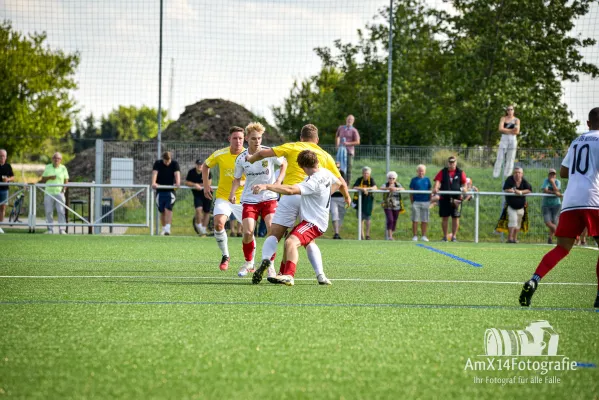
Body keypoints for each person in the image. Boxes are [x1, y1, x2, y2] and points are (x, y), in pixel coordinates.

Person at [246, 123, 350, 285]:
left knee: (275, 233)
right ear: (317, 140)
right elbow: (341, 182)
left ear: (301, 138)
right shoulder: (325, 156)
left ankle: (267, 261)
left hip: (291, 193)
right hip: (312, 199)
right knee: (307, 240)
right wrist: (346, 196)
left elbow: (263, 153)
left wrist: (251, 159)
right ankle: (320, 274)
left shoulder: (291, 147)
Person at [519, 107, 599, 308]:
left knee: (562, 248)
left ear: (588, 123)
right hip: (593, 201)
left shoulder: (577, 141)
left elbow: (563, 172)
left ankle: (534, 280)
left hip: (571, 201)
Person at [229, 122, 287, 277]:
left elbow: (284, 164)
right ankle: (249, 263)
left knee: (271, 229)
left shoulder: (268, 152)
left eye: (259, 138)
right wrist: (232, 193)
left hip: (269, 197)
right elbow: (236, 179)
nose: (257, 141)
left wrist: (278, 181)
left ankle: (270, 265)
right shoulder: (241, 158)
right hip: (250, 199)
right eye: (254, 138)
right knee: (247, 231)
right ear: (247, 138)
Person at [202, 126, 245, 271]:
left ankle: (250, 261)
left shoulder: (249, 155)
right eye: (235, 138)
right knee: (219, 224)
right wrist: (206, 185)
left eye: (240, 138)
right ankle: (226, 255)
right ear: (229, 139)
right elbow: (205, 166)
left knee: (249, 231)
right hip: (224, 197)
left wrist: (242, 183)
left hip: (244, 199)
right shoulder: (220, 154)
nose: (238, 141)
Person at [432, 156, 467, 242]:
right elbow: (437, 181)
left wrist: (465, 189)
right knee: (445, 218)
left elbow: (464, 183)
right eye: (450, 162)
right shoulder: (443, 172)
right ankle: (445, 237)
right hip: (445, 198)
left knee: (455, 217)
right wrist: (436, 187)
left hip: (456, 199)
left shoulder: (460, 172)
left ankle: (454, 237)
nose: (452, 164)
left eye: (453, 162)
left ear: (456, 163)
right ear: (448, 163)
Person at [151, 151, 181, 236]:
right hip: (160, 190)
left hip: (170, 190)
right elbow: (154, 173)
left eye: (169, 161)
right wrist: (153, 182)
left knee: (168, 208)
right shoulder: (158, 163)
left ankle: (168, 228)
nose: (167, 163)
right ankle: (164, 228)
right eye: (166, 161)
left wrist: (178, 183)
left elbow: (177, 174)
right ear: (163, 159)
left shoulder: (174, 163)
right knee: (162, 210)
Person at [40, 152, 69, 234]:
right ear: (52, 159)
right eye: (55, 158)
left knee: (61, 211)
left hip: (59, 193)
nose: (56, 160)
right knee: (48, 211)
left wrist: (64, 190)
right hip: (48, 192)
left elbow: (66, 180)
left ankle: (62, 229)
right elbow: (43, 179)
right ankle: (50, 229)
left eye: (58, 158)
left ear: (61, 160)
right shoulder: (48, 167)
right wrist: (50, 177)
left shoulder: (63, 168)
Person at [501, 167, 532, 243]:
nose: (517, 174)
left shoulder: (524, 181)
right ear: (513, 173)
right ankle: (510, 238)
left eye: (519, 172)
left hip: (521, 207)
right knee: (513, 221)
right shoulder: (509, 179)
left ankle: (515, 238)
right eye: (516, 172)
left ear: (522, 174)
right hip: (511, 206)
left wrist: (520, 192)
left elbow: (529, 190)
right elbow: (505, 189)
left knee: (518, 224)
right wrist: (513, 191)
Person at [185, 159, 212, 236]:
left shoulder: (207, 171)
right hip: (197, 195)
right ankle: (199, 225)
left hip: (207, 194)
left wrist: (201, 185)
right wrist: (194, 185)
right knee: (198, 209)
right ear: (195, 165)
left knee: (207, 212)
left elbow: (209, 183)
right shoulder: (191, 172)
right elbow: (187, 182)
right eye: (198, 164)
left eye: (201, 164)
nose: (200, 166)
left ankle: (203, 229)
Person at [493, 105, 520, 178]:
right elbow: (500, 129)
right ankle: (496, 174)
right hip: (504, 138)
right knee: (500, 156)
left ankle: (507, 174)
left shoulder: (516, 120)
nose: (510, 111)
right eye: (508, 110)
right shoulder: (503, 118)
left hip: (513, 139)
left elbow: (517, 132)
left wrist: (506, 130)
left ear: (514, 110)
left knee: (510, 157)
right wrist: (511, 130)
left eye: (511, 109)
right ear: (506, 111)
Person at [353, 166, 377, 240]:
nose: (366, 175)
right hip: (360, 201)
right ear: (362, 173)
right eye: (365, 173)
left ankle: (367, 235)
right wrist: (362, 189)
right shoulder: (359, 179)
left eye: (367, 173)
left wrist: (367, 189)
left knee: (368, 218)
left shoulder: (371, 180)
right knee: (361, 219)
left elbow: (375, 187)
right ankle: (361, 235)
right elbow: (354, 187)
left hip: (368, 202)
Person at [335, 114, 360, 184]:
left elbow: (357, 142)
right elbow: (337, 136)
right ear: (346, 119)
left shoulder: (354, 130)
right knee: (338, 166)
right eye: (348, 119)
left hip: (349, 151)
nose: (349, 120)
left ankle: (347, 183)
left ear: (353, 121)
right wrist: (337, 146)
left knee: (348, 167)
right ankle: (338, 182)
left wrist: (347, 143)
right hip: (340, 151)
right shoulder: (341, 128)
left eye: (351, 119)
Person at [409, 164, 431, 241]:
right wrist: (412, 202)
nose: (421, 172)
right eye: (419, 171)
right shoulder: (414, 180)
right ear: (417, 171)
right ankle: (415, 236)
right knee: (415, 219)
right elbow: (411, 192)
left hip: (425, 202)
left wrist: (430, 201)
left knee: (425, 220)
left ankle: (424, 236)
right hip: (416, 202)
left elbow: (430, 191)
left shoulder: (427, 180)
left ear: (424, 172)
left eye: (422, 171)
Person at [541, 168, 562, 245]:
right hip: (546, 204)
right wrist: (554, 192)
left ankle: (550, 238)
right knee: (548, 222)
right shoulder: (546, 181)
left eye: (553, 174)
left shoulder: (558, 182)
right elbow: (545, 190)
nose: (552, 175)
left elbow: (558, 191)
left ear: (555, 175)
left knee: (554, 222)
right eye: (551, 174)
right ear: (548, 175)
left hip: (556, 204)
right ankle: (559, 234)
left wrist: (553, 183)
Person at [380, 171, 404, 240]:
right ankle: (390, 236)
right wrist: (388, 189)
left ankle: (391, 233)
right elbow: (381, 188)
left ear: (395, 179)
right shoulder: (386, 184)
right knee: (390, 219)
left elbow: (403, 189)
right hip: (387, 205)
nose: (391, 180)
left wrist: (396, 189)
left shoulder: (397, 184)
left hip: (396, 205)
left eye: (393, 178)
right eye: (390, 178)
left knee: (395, 220)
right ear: (388, 178)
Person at [330, 162, 347, 239]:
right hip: (333, 197)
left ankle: (337, 232)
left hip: (341, 197)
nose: (337, 169)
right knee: (335, 214)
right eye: (336, 167)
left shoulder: (342, 173)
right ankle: (336, 233)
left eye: (338, 167)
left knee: (341, 215)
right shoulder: (330, 174)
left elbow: (344, 184)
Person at [0, 149, 15, 234]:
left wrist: (8, 179)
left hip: (4, 190)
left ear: (6, 157)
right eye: (0, 156)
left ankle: (0, 226)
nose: (1, 157)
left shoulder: (8, 166)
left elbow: (13, 177)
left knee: (3, 208)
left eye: (3, 156)